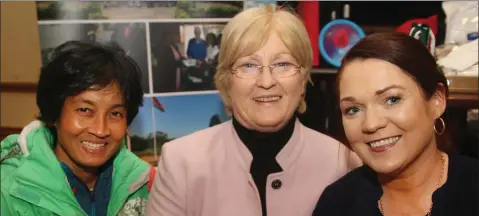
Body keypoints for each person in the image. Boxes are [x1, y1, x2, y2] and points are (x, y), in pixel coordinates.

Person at [145, 6, 361, 216]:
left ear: (303, 79)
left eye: (282, 64)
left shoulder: (342, 163)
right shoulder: (181, 163)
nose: (266, 82)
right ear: (226, 80)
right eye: (249, 65)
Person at [313, 32, 478, 216]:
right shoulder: (337, 204)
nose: (371, 124)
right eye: (353, 109)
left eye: (392, 99)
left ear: (436, 101)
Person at [0, 41, 156, 216]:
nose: (100, 130)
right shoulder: (9, 190)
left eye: (115, 113)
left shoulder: (146, 183)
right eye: (85, 110)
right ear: (54, 114)